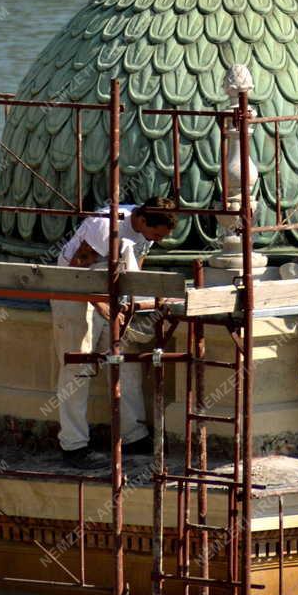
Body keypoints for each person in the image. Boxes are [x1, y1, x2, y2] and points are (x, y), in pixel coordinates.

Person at [51, 197, 179, 465]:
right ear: (143, 220)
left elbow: (136, 266)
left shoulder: (147, 230)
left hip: (110, 292)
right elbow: (77, 268)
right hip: (75, 293)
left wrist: (127, 304)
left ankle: (132, 434)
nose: (159, 239)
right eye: (157, 234)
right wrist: (101, 306)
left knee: (124, 361)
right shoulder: (106, 225)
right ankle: (73, 445)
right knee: (79, 365)